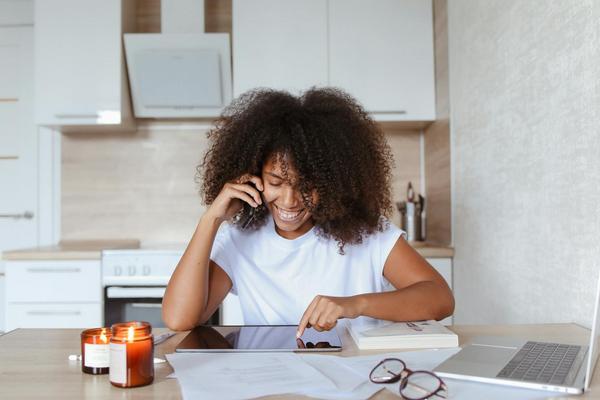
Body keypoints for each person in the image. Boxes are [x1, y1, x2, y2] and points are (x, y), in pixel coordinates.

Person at [162, 88, 454, 337]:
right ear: (254, 176)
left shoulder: (366, 232)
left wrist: (354, 305)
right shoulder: (239, 239)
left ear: (331, 183)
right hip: (273, 379)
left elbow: (440, 299)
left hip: (356, 377)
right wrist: (211, 219)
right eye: (275, 182)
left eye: (306, 187)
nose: (289, 201)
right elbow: (179, 320)